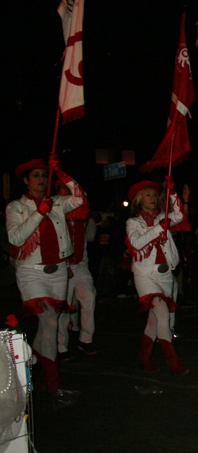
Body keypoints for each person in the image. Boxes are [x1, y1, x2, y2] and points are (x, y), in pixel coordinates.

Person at [6, 155, 84, 405]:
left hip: (59, 270)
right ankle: (54, 385)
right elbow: (16, 238)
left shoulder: (58, 202)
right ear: (26, 181)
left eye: (44, 175)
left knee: (47, 325)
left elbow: (81, 198)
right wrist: (39, 213)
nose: (41, 179)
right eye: (36, 176)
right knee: (50, 321)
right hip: (31, 272)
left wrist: (61, 172)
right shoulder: (15, 208)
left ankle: (34, 368)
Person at [126, 179, 189, 376]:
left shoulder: (163, 217)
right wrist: (160, 227)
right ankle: (174, 363)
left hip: (166, 274)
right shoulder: (133, 222)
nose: (152, 198)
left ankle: (144, 358)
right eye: (147, 195)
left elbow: (179, 214)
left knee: (153, 321)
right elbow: (136, 243)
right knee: (162, 314)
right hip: (145, 275)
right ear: (138, 200)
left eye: (154, 194)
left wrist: (171, 191)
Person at [56, 180, 98, 358]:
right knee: (64, 307)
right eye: (65, 188)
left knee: (89, 298)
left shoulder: (82, 213)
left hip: (80, 264)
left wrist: (84, 263)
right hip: (62, 265)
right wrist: (64, 265)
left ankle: (85, 339)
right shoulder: (56, 210)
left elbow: (86, 240)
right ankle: (61, 346)